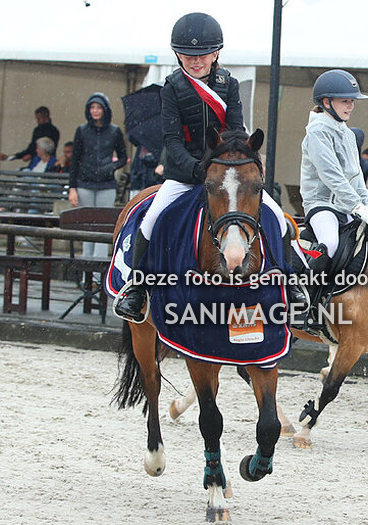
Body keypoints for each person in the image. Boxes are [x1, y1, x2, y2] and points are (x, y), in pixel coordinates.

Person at [114, 12, 306, 322]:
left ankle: (292, 283)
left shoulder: (227, 84)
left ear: (216, 53)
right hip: (185, 172)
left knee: (279, 220)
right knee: (151, 219)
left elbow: (234, 130)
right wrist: (197, 170)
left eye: (202, 54)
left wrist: (234, 165)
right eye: (188, 55)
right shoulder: (172, 87)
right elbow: (172, 140)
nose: (195, 60)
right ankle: (136, 287)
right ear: (178, 54)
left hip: (224, 172)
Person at [296, 69, 368, 330]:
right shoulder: (317, 132)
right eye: (346, 101)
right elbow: (331, 174)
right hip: (321, 204)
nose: (351, 106)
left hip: (348, 204)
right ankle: (306, 304)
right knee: (329, 242)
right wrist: (356, 206)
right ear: (326, 102)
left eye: (352, 101)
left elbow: (354, 175)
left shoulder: (347, 132)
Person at [68, 92, 128, 258]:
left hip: (106, 184)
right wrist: (72, 187)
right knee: (87, 226)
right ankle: (86, 268)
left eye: (98, 107)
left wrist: (112, 167)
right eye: (92, 107)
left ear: (105, 110)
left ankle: (97, 272)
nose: (95, 111)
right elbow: (74, 160)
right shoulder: (81, 131)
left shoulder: (114, 131)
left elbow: (123, 157)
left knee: (103, 226)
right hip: (85, 183)